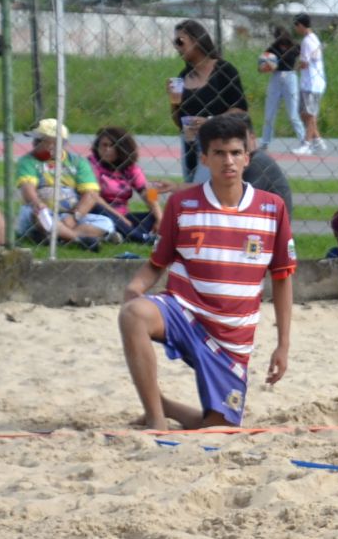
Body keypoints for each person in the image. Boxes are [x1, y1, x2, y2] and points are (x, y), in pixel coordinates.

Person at [116, 112, 295, 431]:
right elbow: (157, 262)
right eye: (219, 153)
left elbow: (282, 277)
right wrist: (135, 288)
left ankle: (165, 406)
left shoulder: (272, 209)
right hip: (184, 312)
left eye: (236, 153)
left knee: (219, 427)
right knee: (134, 314)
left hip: (231, 338)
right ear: (204, 158)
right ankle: (156, 420)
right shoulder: (182, 204)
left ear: (247, 156)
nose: (229, 161)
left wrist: (283, 345)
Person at [14, 120, 116, 247]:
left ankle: (57, 237)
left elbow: (90, 194)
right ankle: (78, 239)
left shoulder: (78, 162)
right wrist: (38, 204)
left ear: (55, 143)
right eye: (36, 140)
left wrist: (74, 216)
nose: (34, 143)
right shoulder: (28, 161)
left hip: (70, 214)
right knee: (40, 217)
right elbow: (27, 188)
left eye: (40, 140)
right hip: (42, 212)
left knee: (106, 222)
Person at [172, 20, 248, 180]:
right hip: (190, 146)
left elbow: (240, 109)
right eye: (175, 43)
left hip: (218, 143)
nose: (177, 47)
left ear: (197, 39)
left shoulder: (224, 70)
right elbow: (179, 122)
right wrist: (174, 102)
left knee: (204, 189)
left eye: (180, 41)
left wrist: (209, 121)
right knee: (193, 190)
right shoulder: (182, 76)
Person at [88, 126, 155, 242]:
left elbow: (149, 191)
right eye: (104, 145)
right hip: (101, 213)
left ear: (122, 148)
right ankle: (140, 237)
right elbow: (94, 198)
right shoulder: (91, 164)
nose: (107, 149)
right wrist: (120, 218)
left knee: (156, 216)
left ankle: (121, 235)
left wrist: (159, 217)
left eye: (112, 146)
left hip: (124, 216)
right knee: (99, 207)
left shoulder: (131, 167)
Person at [259, 26, 302, 148]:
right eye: (277, 37)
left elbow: (305, 58)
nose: (279, 39)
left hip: (290, 77)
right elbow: (262, 64)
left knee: (293, 113)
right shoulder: (273, 48)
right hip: (276, 77)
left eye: (281, 36)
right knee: (270, 112)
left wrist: (298, 68)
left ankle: (304, 140)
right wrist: (266, 67)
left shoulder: (295, 47)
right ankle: (266, 141)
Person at [292, 14, 328, 155]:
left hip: (311, 83)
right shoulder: (314, 38)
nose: (296, 29)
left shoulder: (307, 41)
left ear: (300, 25)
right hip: (311, 83)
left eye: (296, 26)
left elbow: (305, 63)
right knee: (304, 113)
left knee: (310, 114)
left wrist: (293, 69)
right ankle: (318, 140)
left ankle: (306, 144)